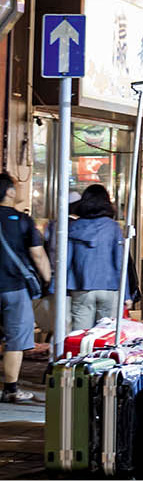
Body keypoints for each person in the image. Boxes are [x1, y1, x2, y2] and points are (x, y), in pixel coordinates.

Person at [0, 173, 50, 403]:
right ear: (9, 191)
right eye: (17, 187)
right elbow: (37, 254)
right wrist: (47, 278)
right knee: (16, 340)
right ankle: (10, 389)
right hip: (15, 288)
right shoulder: (22, 221)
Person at [65, 184, 134, 331]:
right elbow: (120, 263)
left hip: (81, 287)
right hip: (109, 288)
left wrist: (57, 289)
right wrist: (126, 294)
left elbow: (66, 261)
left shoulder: (73, 227)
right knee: (105, 337)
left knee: (80, 335)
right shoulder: (113, 227)